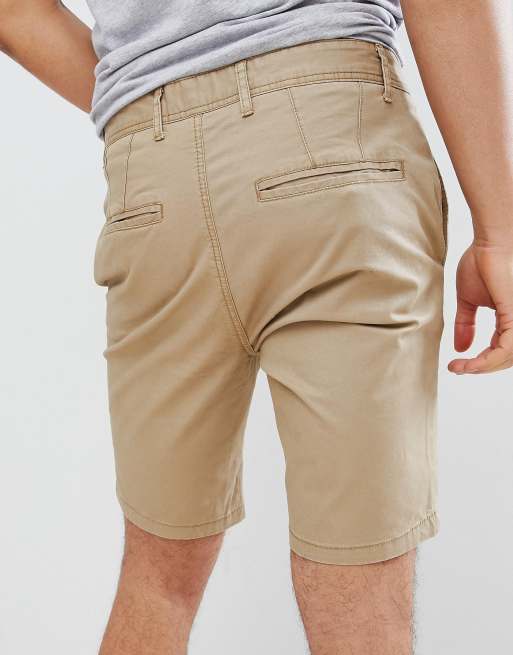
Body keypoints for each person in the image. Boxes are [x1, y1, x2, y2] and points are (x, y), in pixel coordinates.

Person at [1, 1, 512, 653]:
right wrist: (500, 234)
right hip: (332, 144)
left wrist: (143, 101)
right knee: (357, 580)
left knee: (158, 576)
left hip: (150, 179)